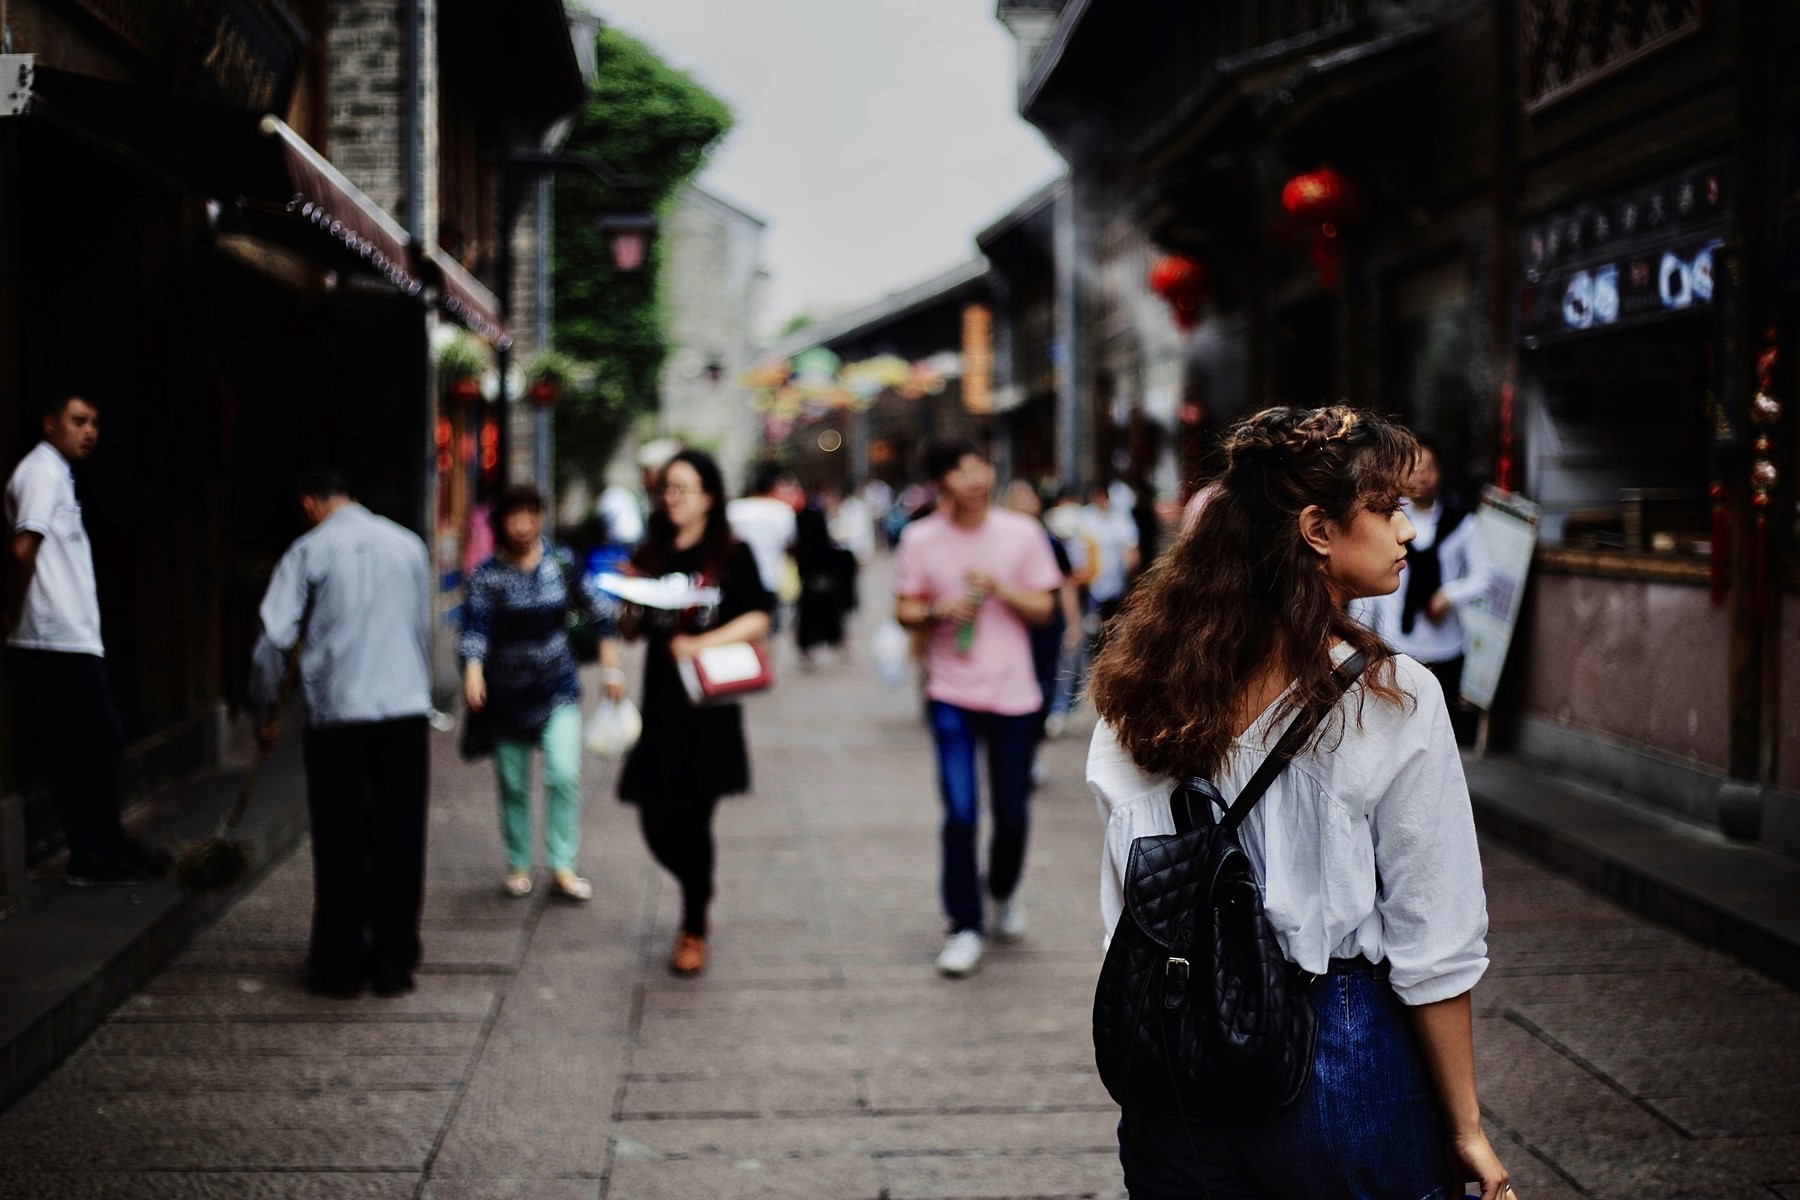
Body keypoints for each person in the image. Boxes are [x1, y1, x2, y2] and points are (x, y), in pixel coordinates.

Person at [1085, 406, 1509, 1200]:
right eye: (1386, 509)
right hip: (1336, 1044)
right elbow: (1436, 934)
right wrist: (1466, 1128)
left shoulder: (1138, 688)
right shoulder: (1393, 696)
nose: (1406, 532)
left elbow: (1129, 896)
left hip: (1175, 1060)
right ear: (1317, 528)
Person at [249, 470, 433, 999]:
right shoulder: (408, 545)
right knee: (400, 837)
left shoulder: (309, 551)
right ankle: (394, 960)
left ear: (310, 503)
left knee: (342, 841)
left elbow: (272, 640)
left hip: (339, 716)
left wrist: (263, 708)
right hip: (404, 708)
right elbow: (419, 627)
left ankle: (340, 964)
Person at [894, 441, 1062, 977]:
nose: (975, 477)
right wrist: (935, 610)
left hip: (1014, 694)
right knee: (961, 813)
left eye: (981, 466)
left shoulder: (1023, 533)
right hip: (950, 693)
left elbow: (1045, 608)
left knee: (1012, 813)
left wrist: (1001, 589)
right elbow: (904, 608)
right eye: (961, 468)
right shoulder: (920, 538)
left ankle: (1004, 891)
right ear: (942, 480)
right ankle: (964, 925)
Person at [616, 449, 774, 976]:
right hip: (661, 703)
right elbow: (630, 631)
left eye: (683, 488)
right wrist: (628, 599)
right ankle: (697, 884)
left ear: (709, 495)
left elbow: (759, 618)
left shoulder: (731, 553)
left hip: (708, 706)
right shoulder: (652, 551)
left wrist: (700, 643)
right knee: (654, 816)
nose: (673, 498)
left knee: (695, 815)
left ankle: (692, 925)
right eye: (667, 489)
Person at [4, 390, 169, 885]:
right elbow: (20, 548)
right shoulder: (41, 471)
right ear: (49, 423)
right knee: (95, 742)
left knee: (87, 746)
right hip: (52, 638)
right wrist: (11, 612)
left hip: (69, 636)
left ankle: (102, 848)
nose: (90, 430)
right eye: (78, 420)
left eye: (95, 421)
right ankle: (93, 852)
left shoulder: (58, 473)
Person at [460, 485, 622, 903]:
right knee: (513, 784)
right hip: (506, 695)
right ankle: (518, 863)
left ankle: (562, 866)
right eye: (515, 516)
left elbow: (599, 611)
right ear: (501, 522)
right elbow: (474, 628)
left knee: (564, 773)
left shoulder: (560, 562)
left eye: (531, 514)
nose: (523, 524)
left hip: (558, 688)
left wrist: (611, 667)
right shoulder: (487, 575)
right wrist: (473, 672)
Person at [1349, 437, 1490, 743]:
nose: (1422, 475)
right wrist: (1358, 637)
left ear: (1441, 472)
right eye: (1413, 468)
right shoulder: (1386, 518)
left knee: (1440, 736)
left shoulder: (1462, 521)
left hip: (1446, 647)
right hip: (1395, 645)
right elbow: (1368, 586)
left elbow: (1484, 576)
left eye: (1429, 467)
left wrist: (1449, 594)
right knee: (1395, 735)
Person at [1004, 481, 1081, 747]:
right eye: (1018, 497)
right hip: (1012, 624)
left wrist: (1072, 623)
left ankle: (1030, 745)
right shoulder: (999, 541)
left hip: (1046, 624)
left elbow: (1066, 583)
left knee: (1043, 683)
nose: (1024, 502)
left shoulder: (1050, 541)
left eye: (1029, 495)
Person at [793, 502, 855, 666]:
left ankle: (808, 649)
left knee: (809, 620)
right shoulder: (825, 545)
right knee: (831, 618)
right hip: (827, 588)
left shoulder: (801, 547)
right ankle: (839, 643)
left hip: (810, 588)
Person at [726, 461, 797, 598]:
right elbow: (790, 545)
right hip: (771, 581)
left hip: (739, 582)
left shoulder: (733, 510)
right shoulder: (782, 512)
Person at [1081, 480, 1140, 624]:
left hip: (1116, 583)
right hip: (1093, 584)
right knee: (1093, 626)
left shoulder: (1120, 518)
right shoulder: (1085, 517)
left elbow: (1131, 546)